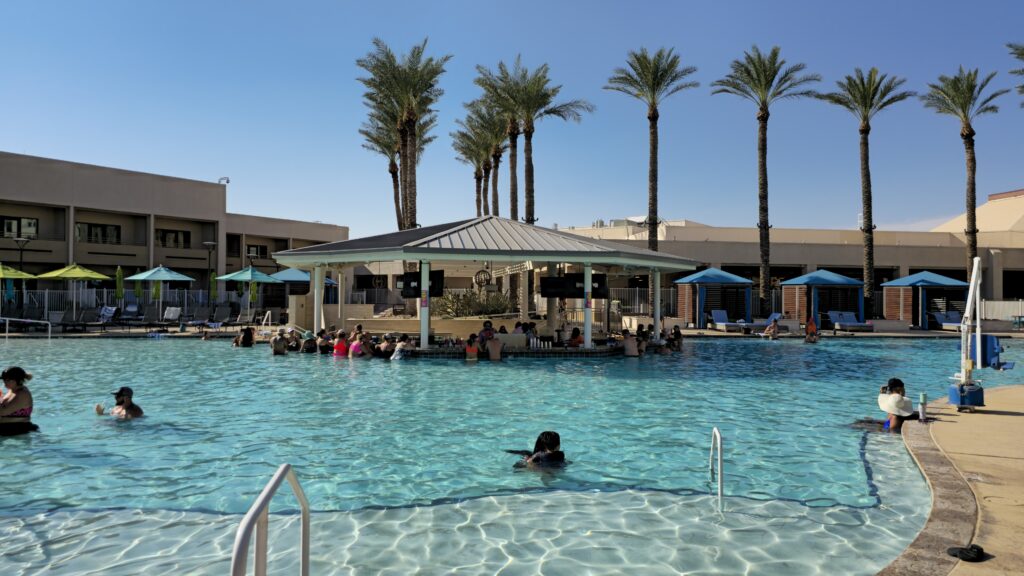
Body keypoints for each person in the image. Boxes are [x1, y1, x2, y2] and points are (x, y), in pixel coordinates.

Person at [1, 366, 38, 436]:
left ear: (17, 380)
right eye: (4, 380)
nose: (4, 382)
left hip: (18, 429)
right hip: (8, 429)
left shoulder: (22, 394)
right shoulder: (11, 390)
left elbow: (2, 412)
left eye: (8, 380)